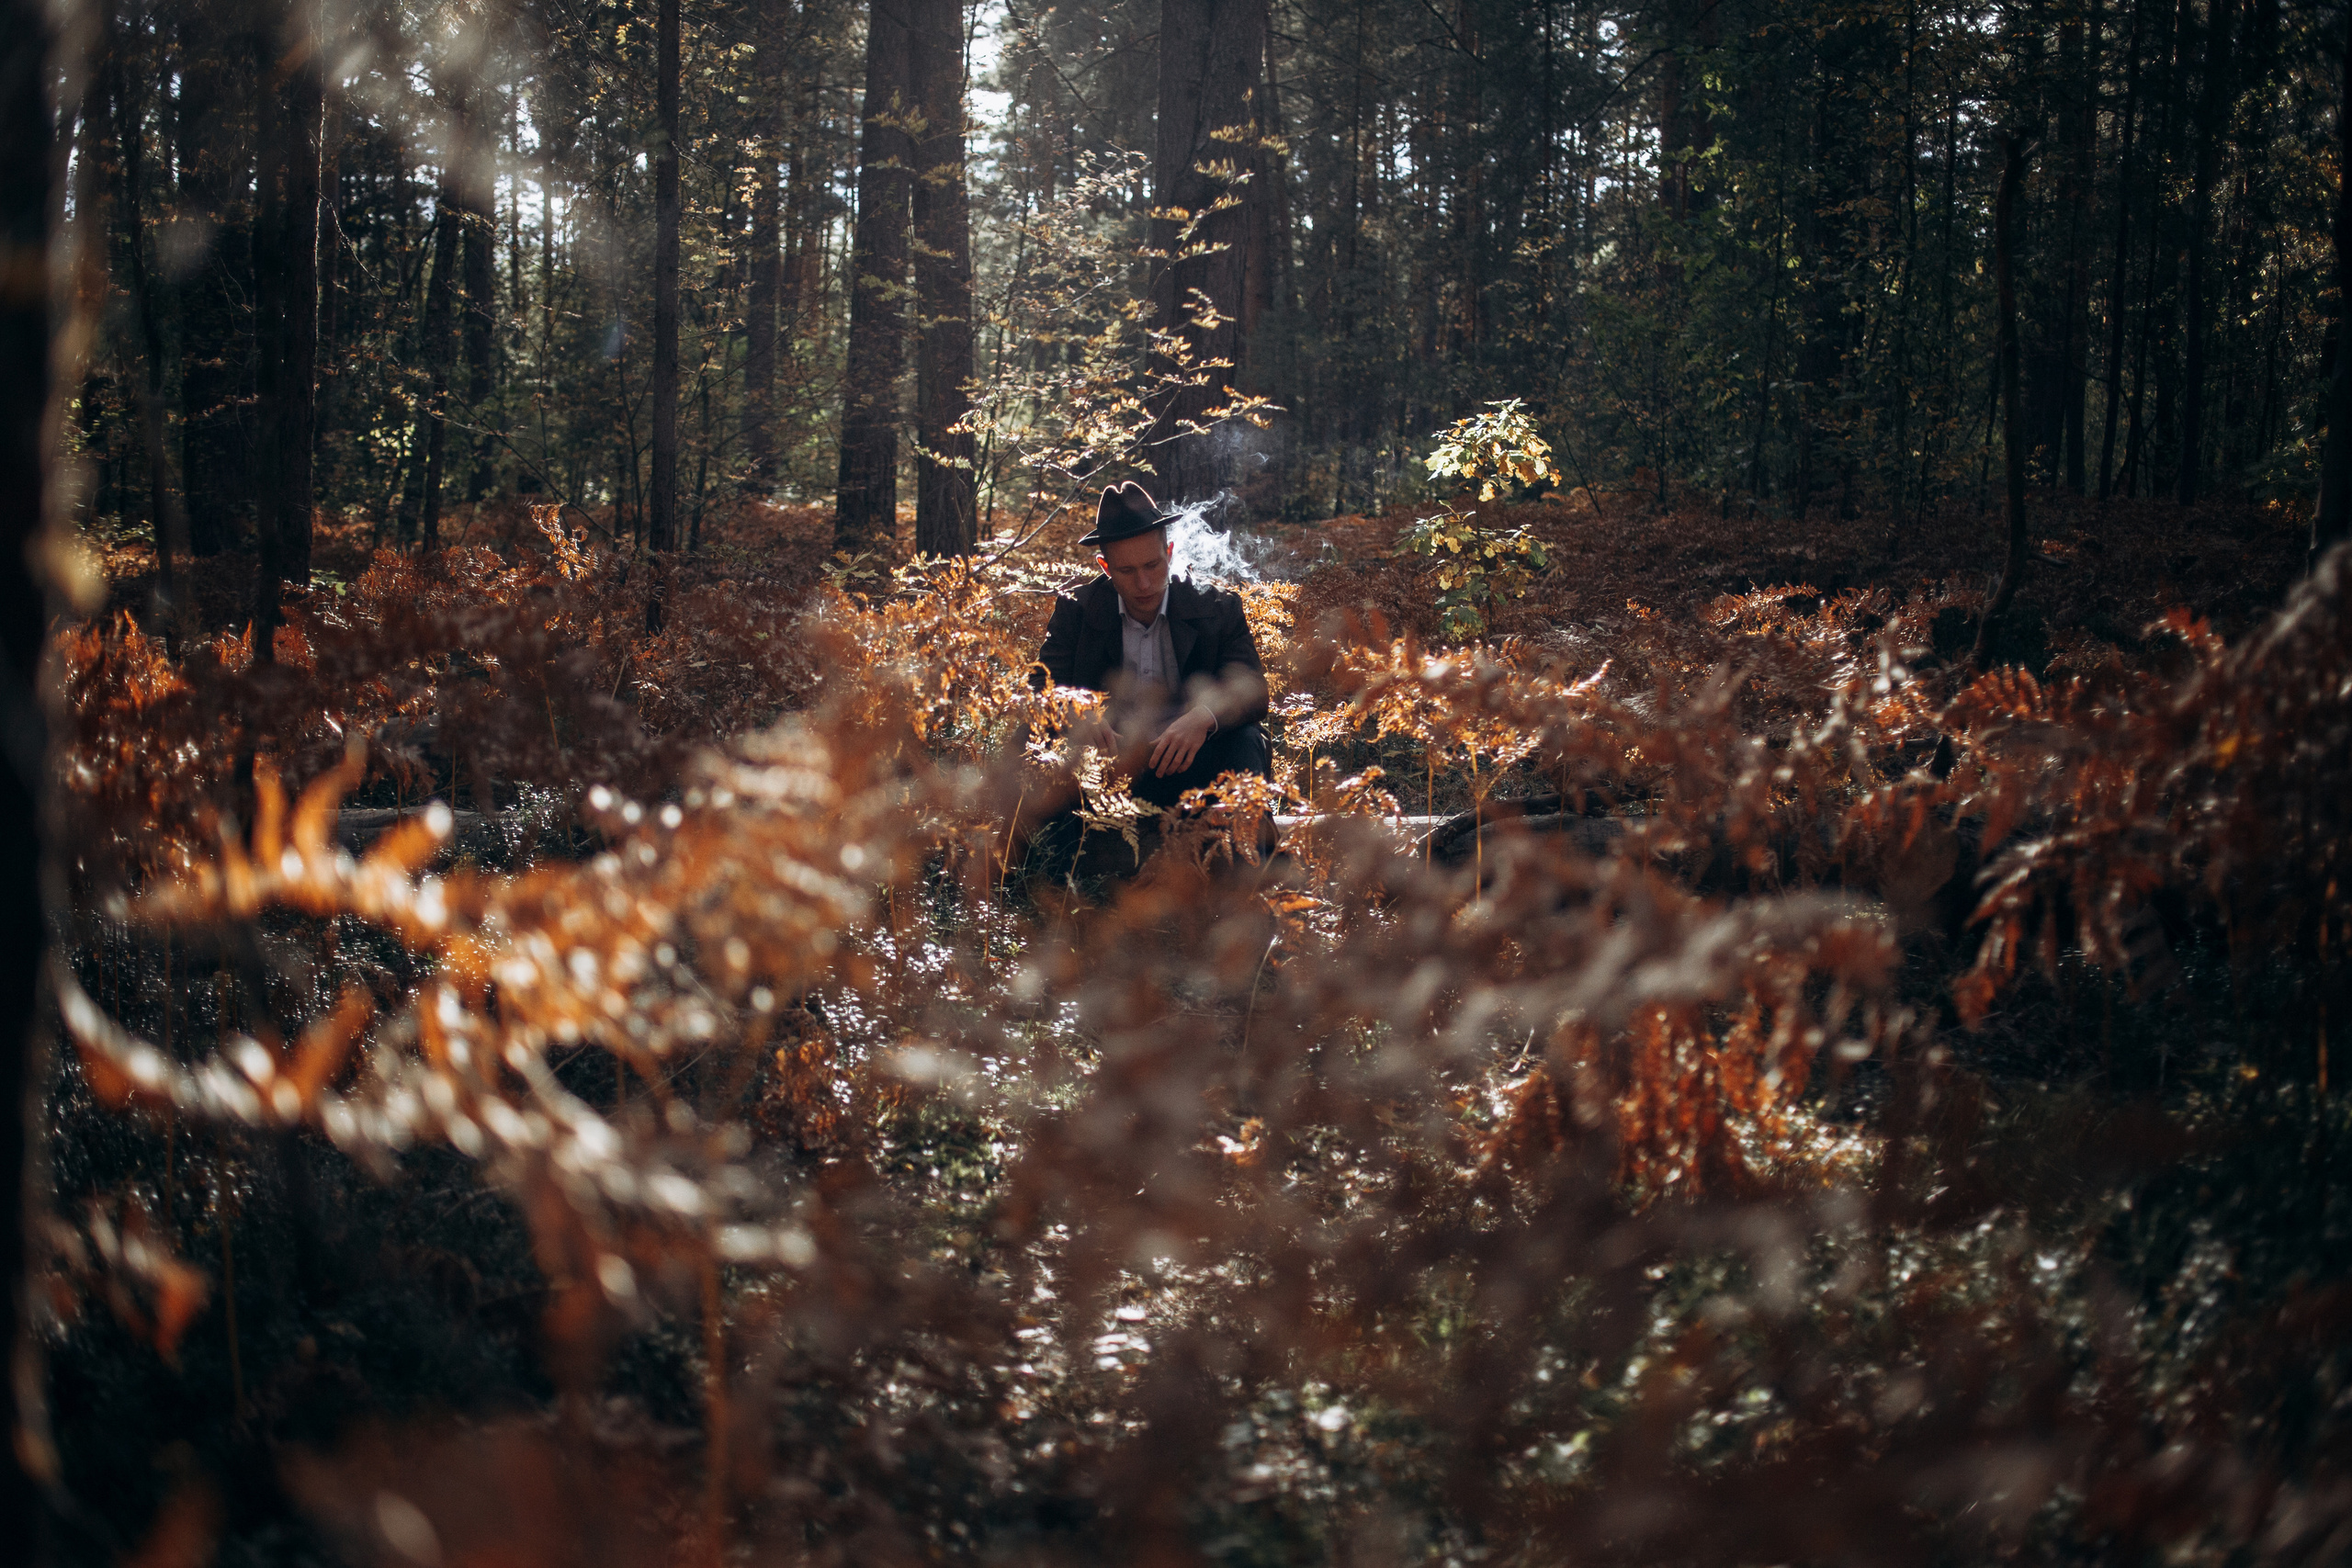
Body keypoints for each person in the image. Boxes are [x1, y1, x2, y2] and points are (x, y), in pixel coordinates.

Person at [1033, 481, 1272, 808]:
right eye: (1127, 570)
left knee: (1246, 740)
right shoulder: (1078, 609)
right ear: (1105, 568)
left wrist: (1203, 717)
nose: (1143, 584)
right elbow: (1037, 688)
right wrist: (1076, 715)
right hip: (1109, 771)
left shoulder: (1216, 607)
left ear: (1169, 553)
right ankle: (1040, 856)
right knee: (1033, 742)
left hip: (1196, 767)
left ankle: (1253, 852)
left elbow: (1255, 690)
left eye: (1152, 565)